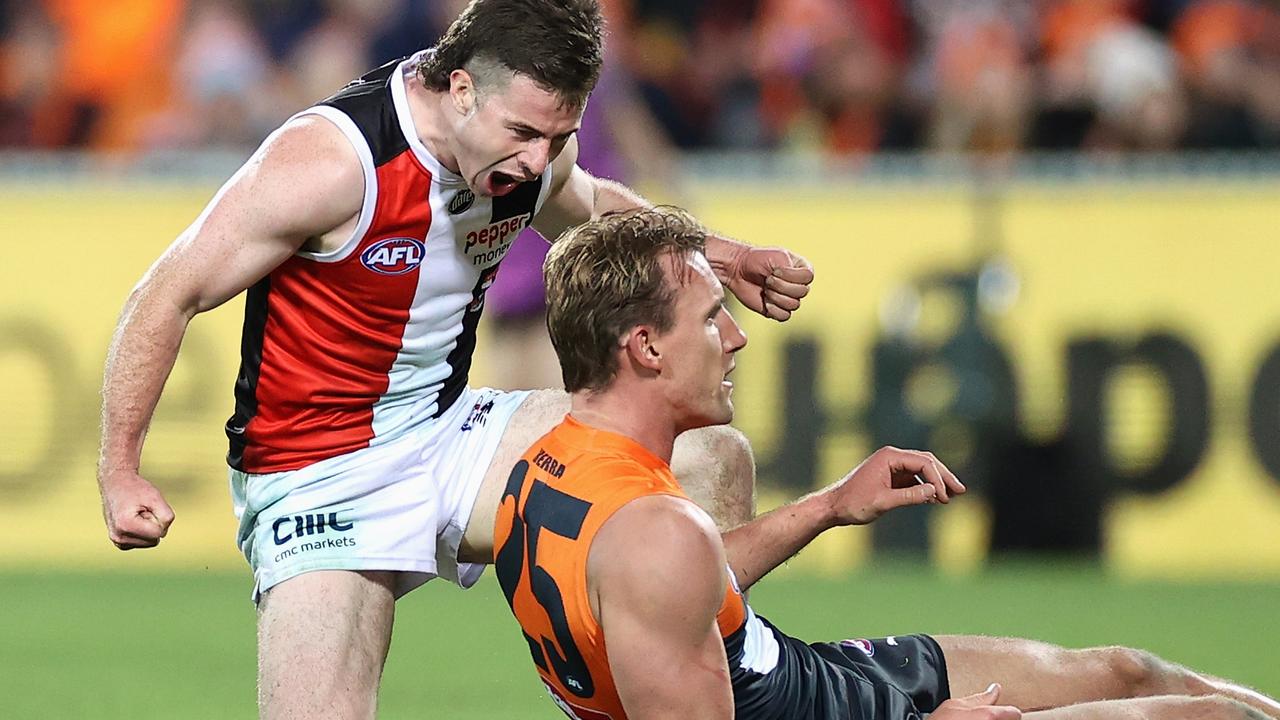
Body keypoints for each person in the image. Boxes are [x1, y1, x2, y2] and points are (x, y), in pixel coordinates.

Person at [94, 1, 814, 717]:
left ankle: (701, 694)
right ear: (462, 89)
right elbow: (166, 295)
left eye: (558, 135)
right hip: (317, 473)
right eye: (525, 133)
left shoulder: (528, 151)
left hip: (451, 435)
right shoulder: (332, 161)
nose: (538, 158)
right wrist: (121, 469)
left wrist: (723, 254)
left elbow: (588, 205)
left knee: (704, 452)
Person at [493, 206, 1280, 720]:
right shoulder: (653, 534)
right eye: (713, 318)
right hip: (832, 708)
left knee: (1130, 671)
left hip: (814, 679)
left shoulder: (544, 471)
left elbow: (666, 593)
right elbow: (662, 577)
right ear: (647, 346)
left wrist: (830, 505)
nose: (735, 339)